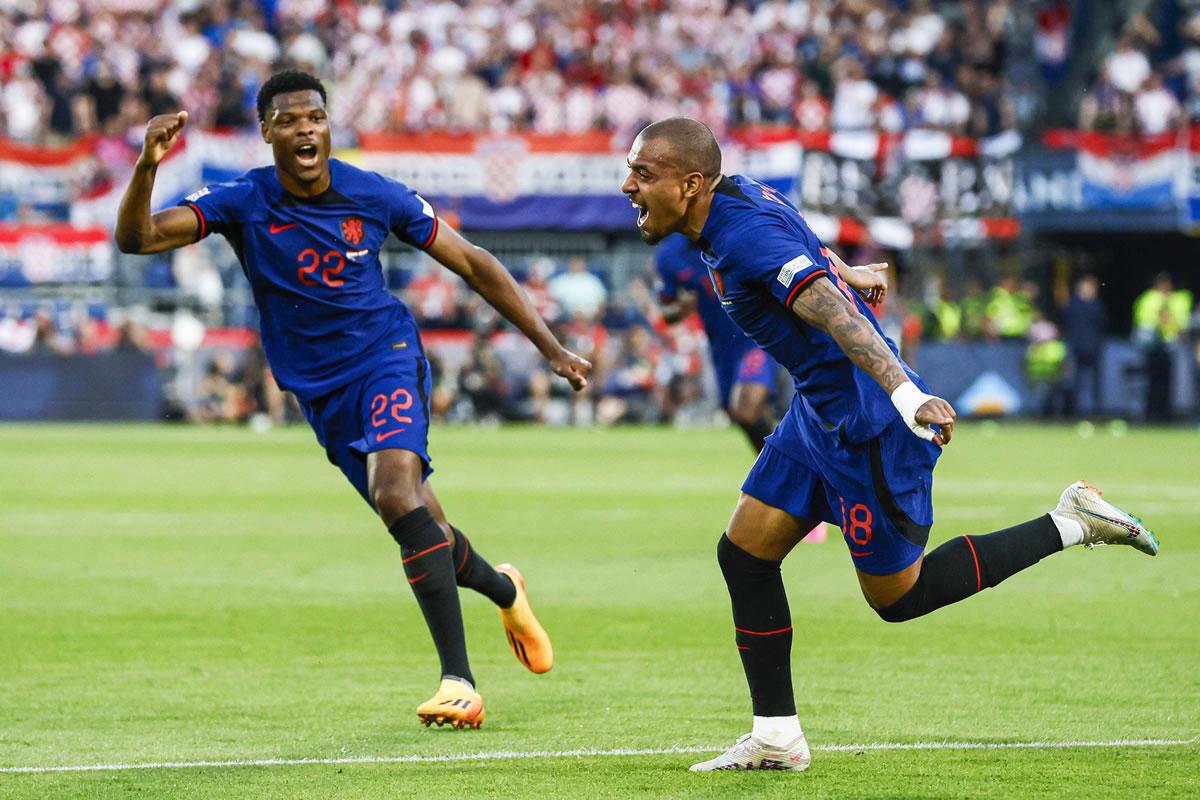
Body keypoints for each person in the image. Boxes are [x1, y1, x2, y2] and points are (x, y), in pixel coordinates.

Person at [621, 117, 1160, 773]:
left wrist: (905, 393)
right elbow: (799, 254)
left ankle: (1072, 521)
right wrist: (847, 268)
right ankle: (776, 736)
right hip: (818, 415)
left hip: (870, 424)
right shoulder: (737, 200)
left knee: (897, 599)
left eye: (644, 174)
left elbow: (827, 306)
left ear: (692, 182)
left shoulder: (740, 228)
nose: (630, 185)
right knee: (744, 553)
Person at [114, 70, 592, 730]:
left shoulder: (373, 194)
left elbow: (473, 261)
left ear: (328, 125)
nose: (305, 128)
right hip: (321, 390)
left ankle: (460, 681)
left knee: (397, 495)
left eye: (315, 117)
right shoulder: (241, 201)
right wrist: (146, 166)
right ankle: (506, 590)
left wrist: (550, 346)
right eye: (289, 120)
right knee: (423, 524)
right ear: (268, 132)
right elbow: (136, 239)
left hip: (386, 357)